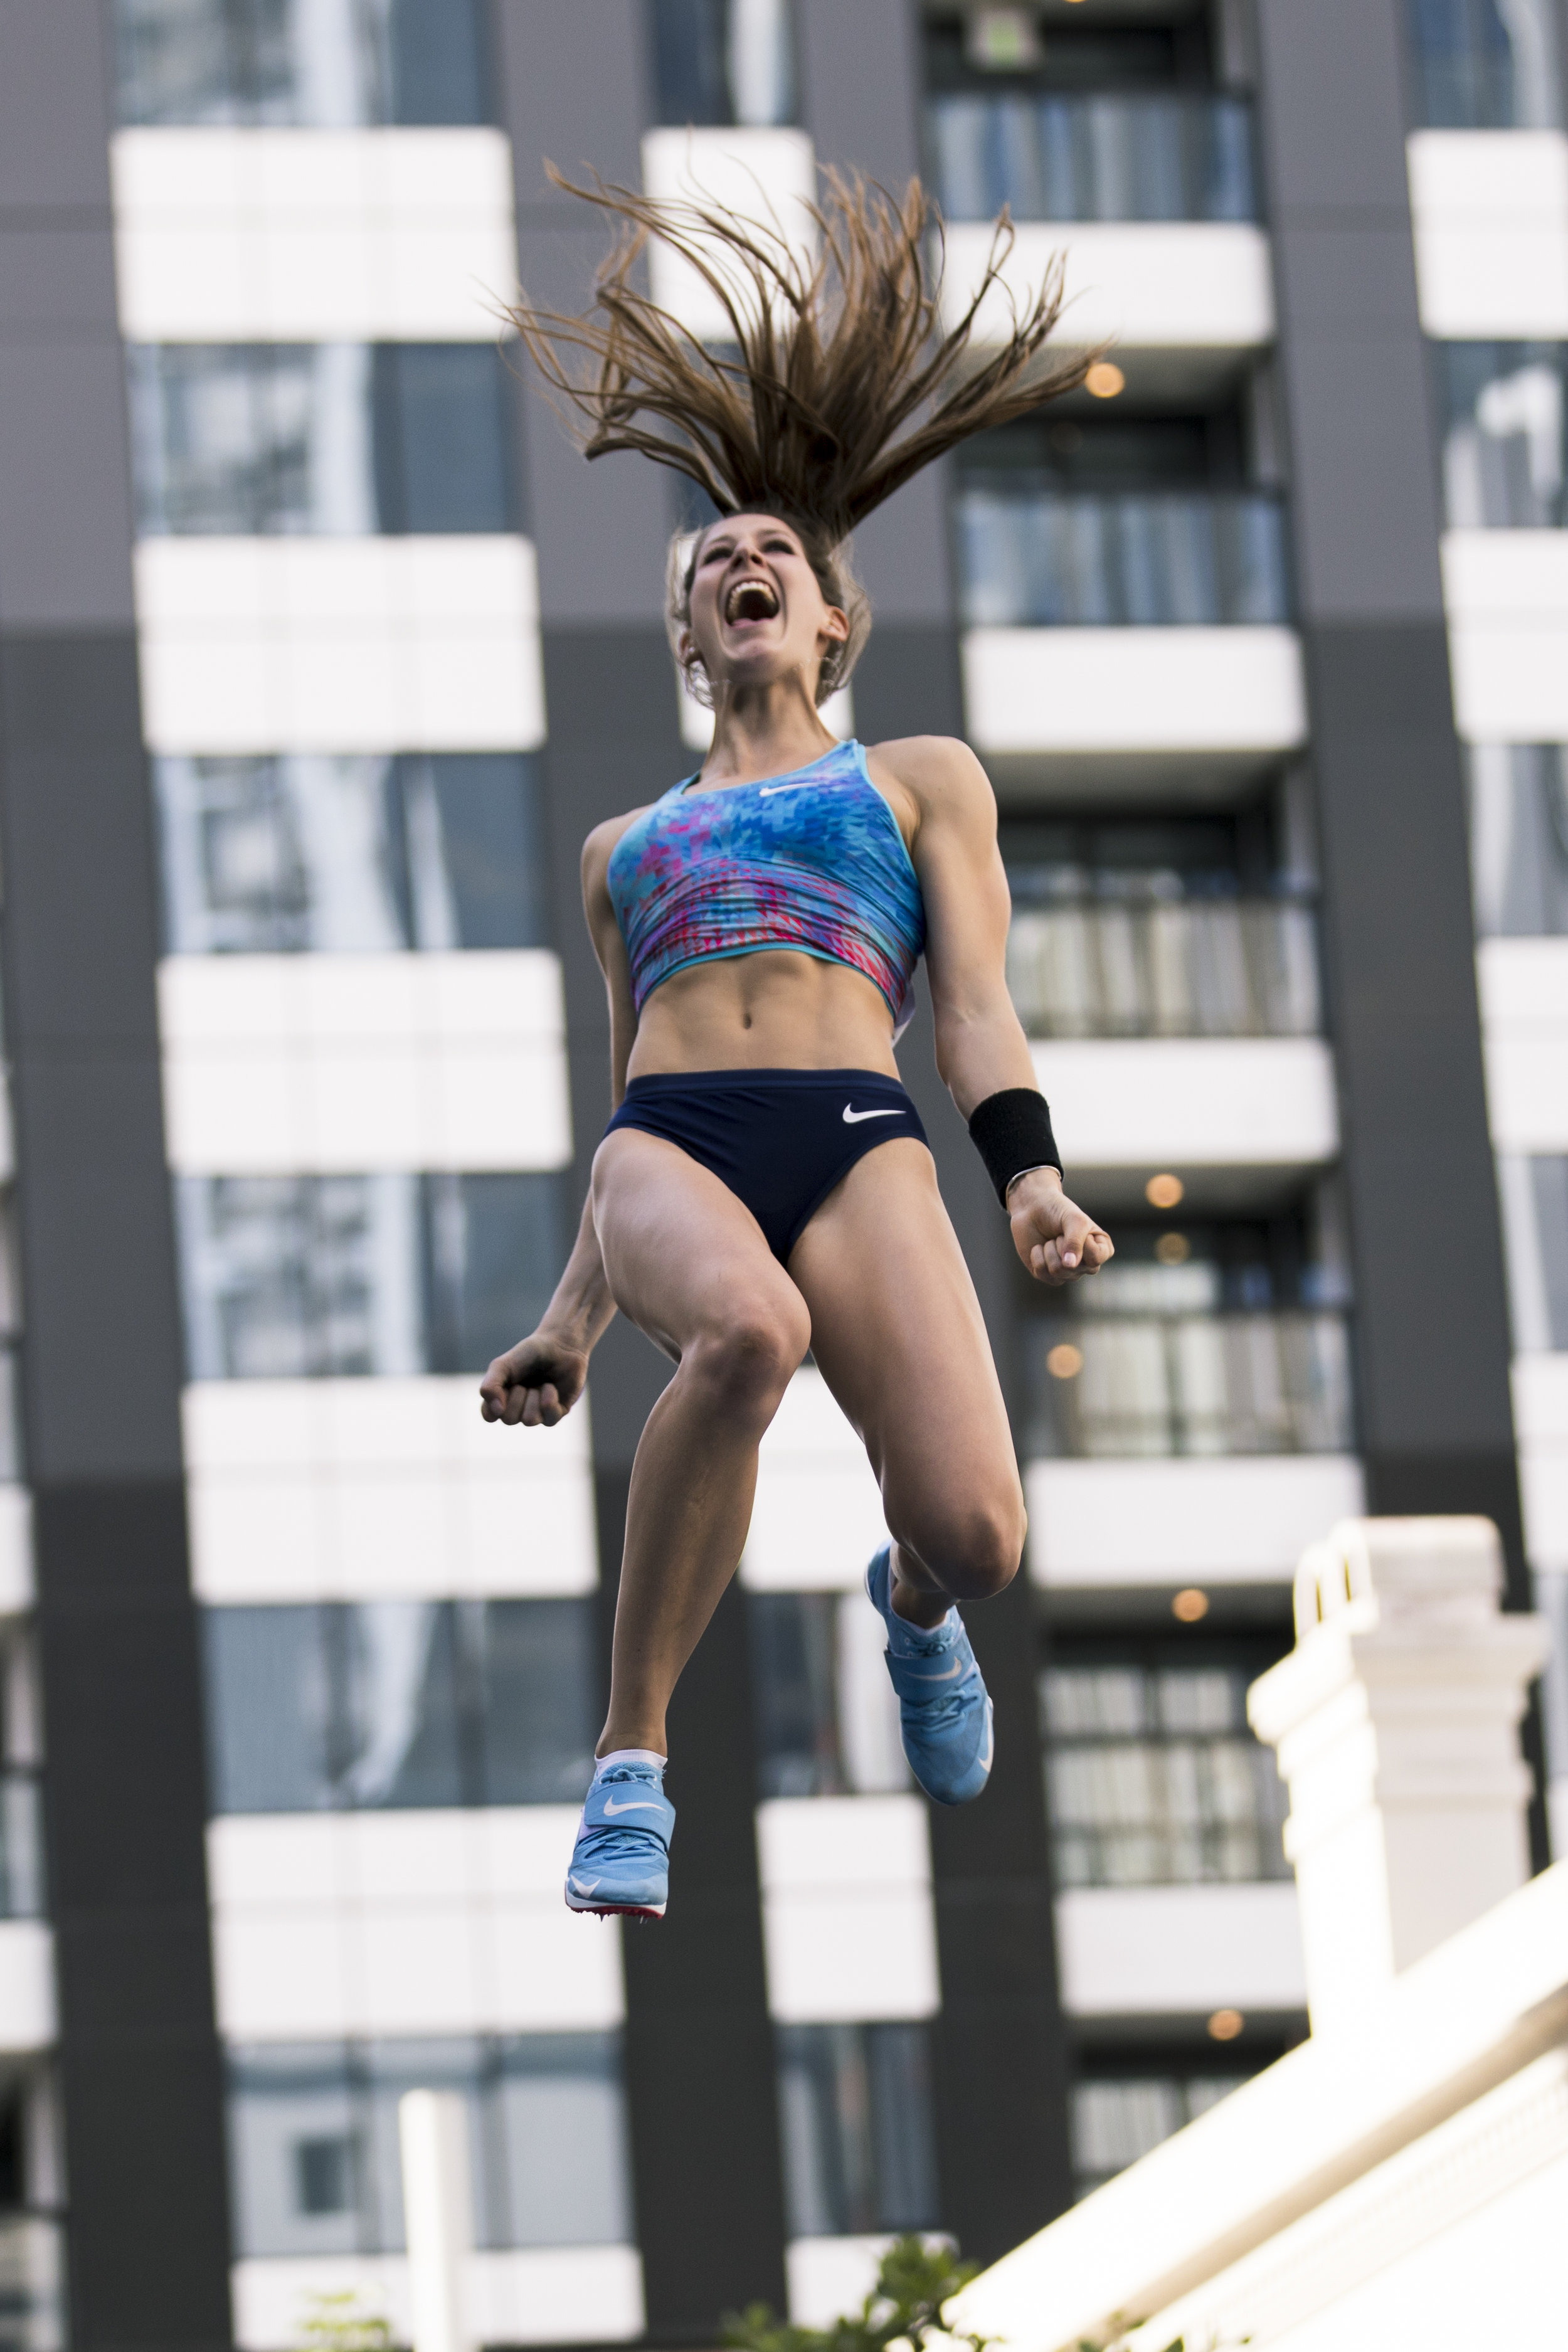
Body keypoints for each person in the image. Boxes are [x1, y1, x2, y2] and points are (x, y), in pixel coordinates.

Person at [481, 169, 1114, 1919]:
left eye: (772, 555)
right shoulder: (625, 850)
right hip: (675, 1138)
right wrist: (565, 1320)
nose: (740, 563)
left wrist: (1031, 1183)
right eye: (711, 565)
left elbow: (972, 1004)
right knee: (747, 1335)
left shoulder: (913, 780)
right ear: (690, 638)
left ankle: (905, 1606)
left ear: (831, 620)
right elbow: (622, 1115)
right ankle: (630, 1765)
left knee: (980, 1535)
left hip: (857, 1125)